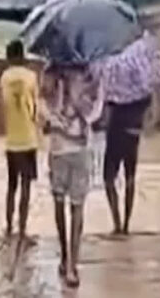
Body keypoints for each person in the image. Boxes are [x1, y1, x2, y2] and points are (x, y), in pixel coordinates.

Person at [95, 30, 160, 235]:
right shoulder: (143, 83)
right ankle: (126, 223)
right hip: (133, 132)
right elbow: (151, 104)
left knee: (109, 178)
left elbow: (104, 103)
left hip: (116, 132)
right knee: (130, 177)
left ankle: (117, 223)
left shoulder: (113, 69)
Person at [43, 64, 103, 288]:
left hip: (72, 150)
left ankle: (70, 261)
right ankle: (68, 259)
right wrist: (61, 101)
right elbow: (44, 115)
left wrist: (74, 106)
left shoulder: (87, 75)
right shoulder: (55, 75)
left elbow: (95, 111)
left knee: (72, 206)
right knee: (66, 206)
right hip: (67, 150)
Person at [0, 39, 39, 240]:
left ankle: (8, 227)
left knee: (11, 186)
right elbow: (35, 110)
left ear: (9, 57)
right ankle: (23, 231)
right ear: (22, 55)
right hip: (28, 140)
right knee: (26, 187)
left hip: (11, 141)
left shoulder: (4, 77)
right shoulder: (31, 77)